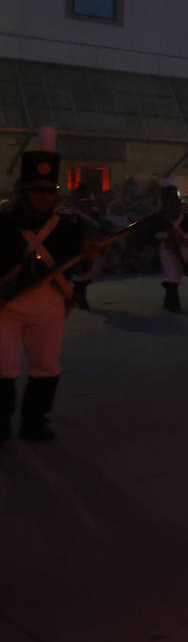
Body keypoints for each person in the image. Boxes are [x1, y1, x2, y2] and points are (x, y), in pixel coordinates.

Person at [0, 128, 94, 443]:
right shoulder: (3, 224)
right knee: (4, 369)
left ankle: (34, 421)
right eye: (38, 190)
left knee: (45, 366)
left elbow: (79, 265)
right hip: (6, 305)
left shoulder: (68, 227)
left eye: (50, 190)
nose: (45, 196)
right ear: (25, 192)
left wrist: (89, 257)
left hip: (49, 303)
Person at [143, 182, 188, 314]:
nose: (173, 204)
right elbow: (151, 234)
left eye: (175, 201)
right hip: (167, 250)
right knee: (173, 276)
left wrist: (184, 237)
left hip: (183, 249)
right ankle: (175, 303)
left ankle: (168, 298)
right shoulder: (159, 219)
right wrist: (165, 236)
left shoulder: (186, 218)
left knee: (176, 277)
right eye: (170, 201)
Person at [68, 183, 106, 310]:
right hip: (81, 247)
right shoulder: (73, 215)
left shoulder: (94, 213)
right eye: (84, 201)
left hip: (95, 246)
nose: (88, 203)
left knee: (92, 273)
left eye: (89, 201)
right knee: (81, 275)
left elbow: (101, 227)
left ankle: (77, 295)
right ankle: (79, 297)